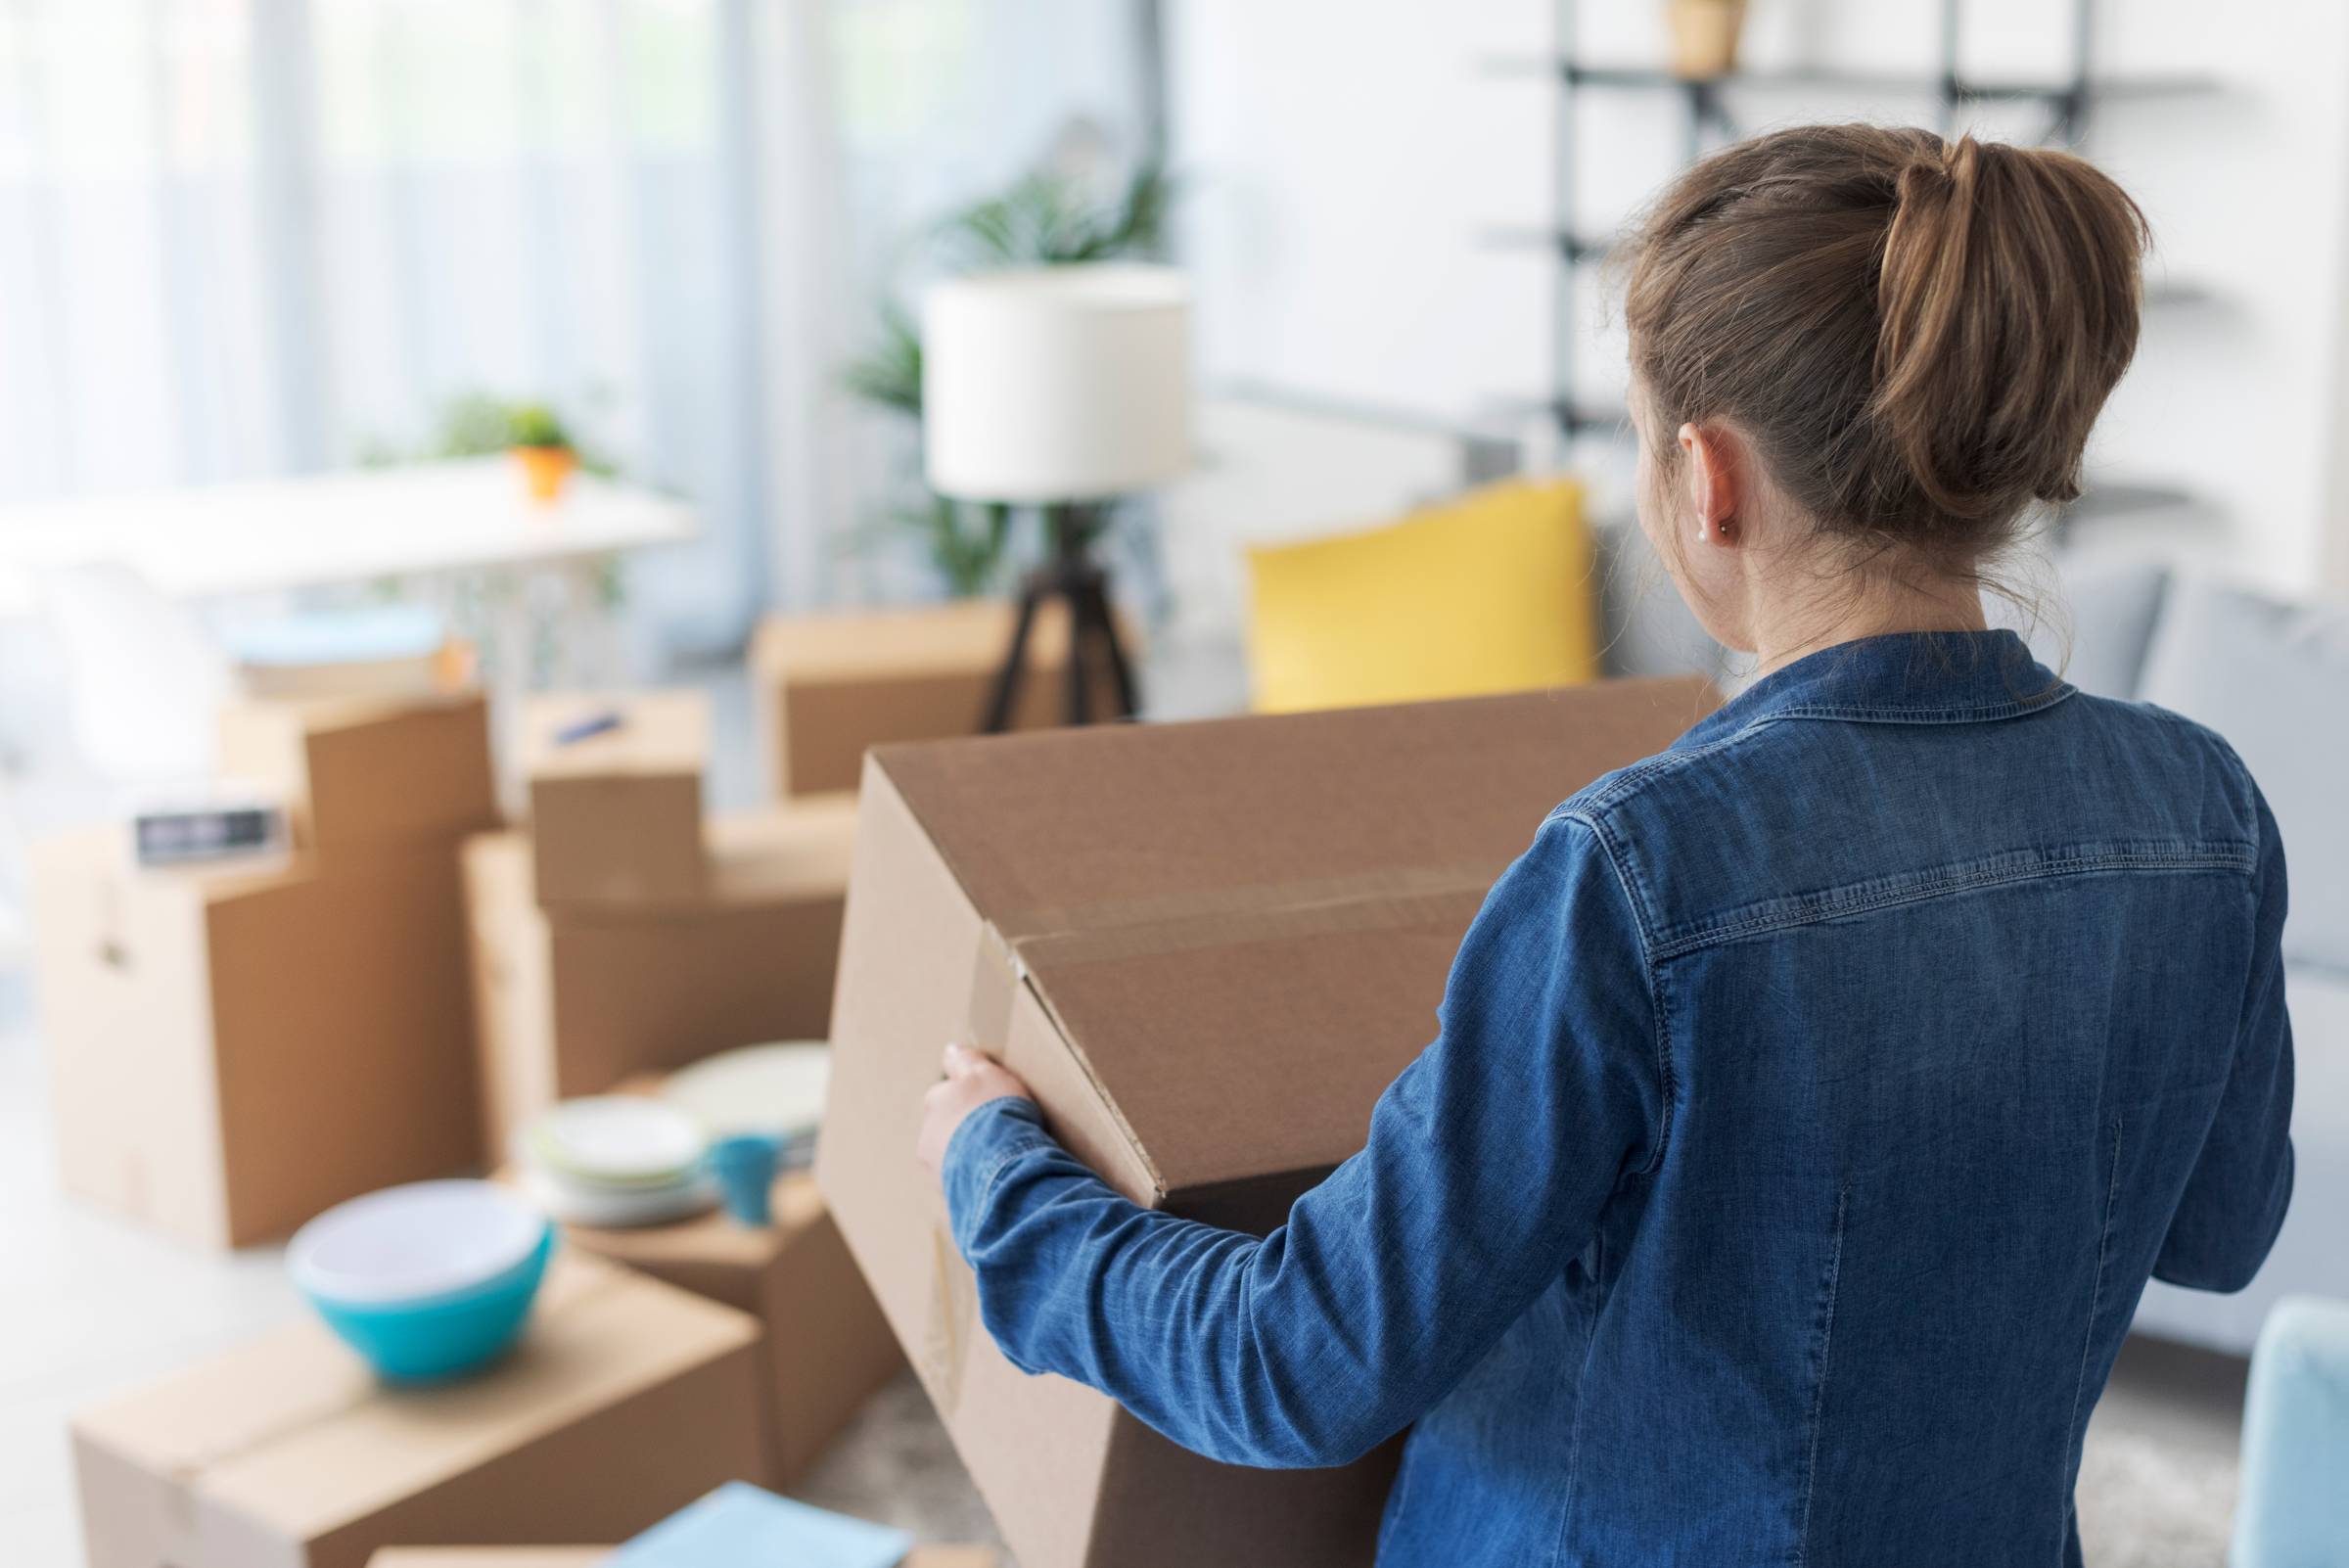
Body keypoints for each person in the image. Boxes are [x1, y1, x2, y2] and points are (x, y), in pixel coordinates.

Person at [913, 125, 2295, 1567]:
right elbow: (2217, 1232)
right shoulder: (2205, 813)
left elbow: (1297, 1360)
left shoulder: (1640, 871)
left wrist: (993, 1174)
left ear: (1708, 478)